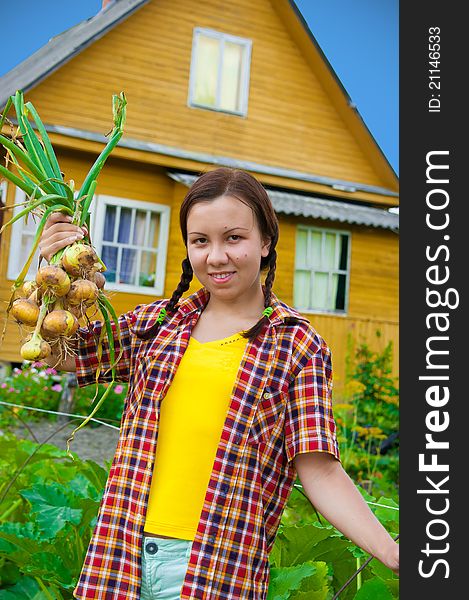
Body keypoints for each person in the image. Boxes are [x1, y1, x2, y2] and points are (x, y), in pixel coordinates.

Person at [39, 167, 399, 599]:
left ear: (266, 242)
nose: (216, 256)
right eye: (200, 241)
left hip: (217, 568)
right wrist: (55, 274)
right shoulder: (160, 324)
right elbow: (60, 353)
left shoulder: (297, 345)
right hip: (119, 557)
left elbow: (319, 469)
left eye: (234, 238)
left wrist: (394, 554)